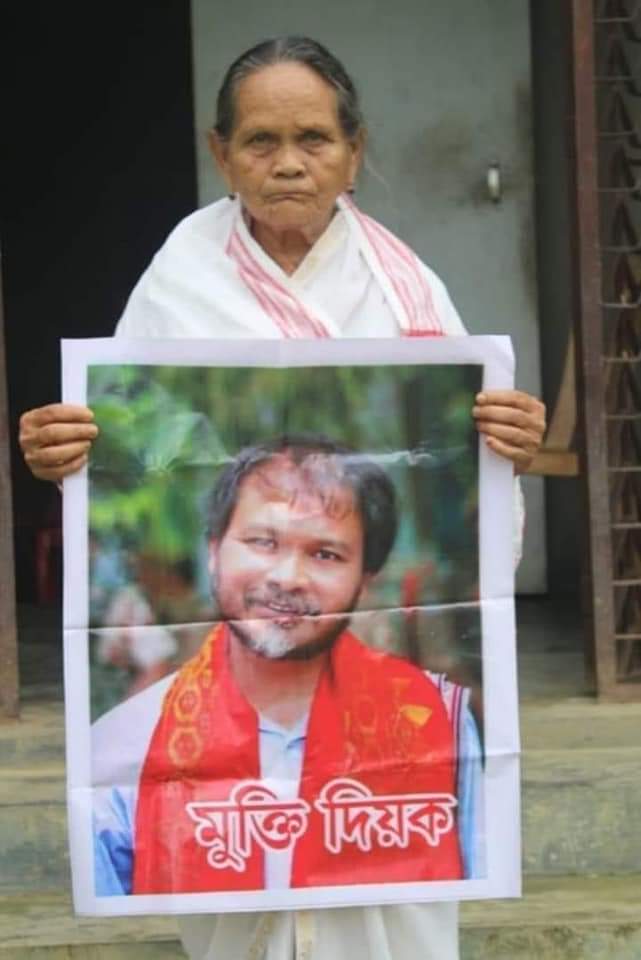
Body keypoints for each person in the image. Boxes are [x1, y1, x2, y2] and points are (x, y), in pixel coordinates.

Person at [19, 35, 546, 960]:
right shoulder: (177, 283)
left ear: (354, 150)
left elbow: (468, 469)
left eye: (313, 137)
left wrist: (507, 444)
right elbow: (124, 455)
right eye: (260, 141)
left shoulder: (409, 291)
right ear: (219, 153)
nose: (290, 162)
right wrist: (63, 452)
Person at [92, 434, 484, 898]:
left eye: (325, 554)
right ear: (214, 552)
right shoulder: (126, 742)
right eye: (262, 542)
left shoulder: (441, 722)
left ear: (366, 580)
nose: (287, 578)